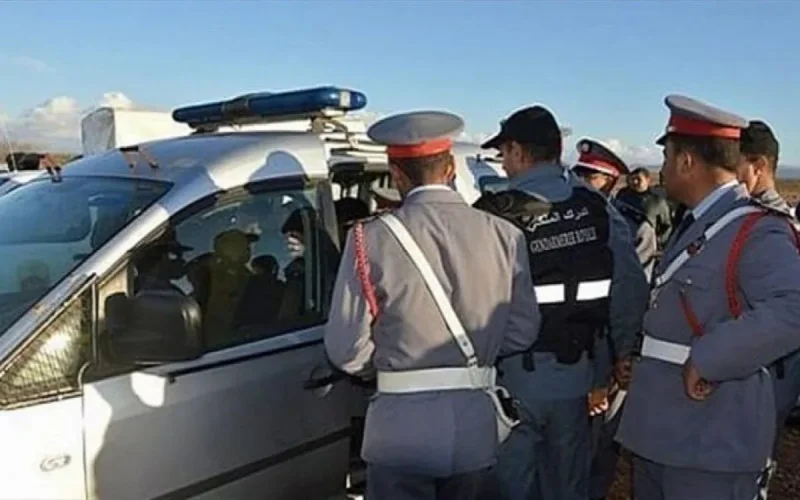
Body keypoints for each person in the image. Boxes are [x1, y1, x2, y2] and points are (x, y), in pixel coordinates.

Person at [324, 110, 541, 500]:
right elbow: (523, 330)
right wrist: (473, 359)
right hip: (475, 427)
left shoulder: (367, 239)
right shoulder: (506, 236)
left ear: (397, 174)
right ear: (451, 167)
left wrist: (395, 363)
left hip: (399, 430)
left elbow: (346, 350)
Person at [615, 94, 800, 500]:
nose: (661, 168)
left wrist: (709, 358)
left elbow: (793, 308)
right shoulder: (699, 223)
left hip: (709, 444)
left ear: (686, 162)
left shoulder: (756, 230)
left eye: (667, 157)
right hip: (662, 431)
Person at [473, 105, 649, 500]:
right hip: (580, 383)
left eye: (503, 155)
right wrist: (624, 352)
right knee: (569, 488)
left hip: (510, 384)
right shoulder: (597, 207)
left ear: (518, 151)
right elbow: (628, 286)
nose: (503, 166)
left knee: (510, 488)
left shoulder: (494, 215)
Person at [569, 139, 656, 500]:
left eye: (591, 177)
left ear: (609, 182)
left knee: (599, 450)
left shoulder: (631, 228)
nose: (582, 184)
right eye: (580, 175)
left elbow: (633, 300)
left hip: (606, 355)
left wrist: (624, 356)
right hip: (564, 356)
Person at [737, 119, 800, 494]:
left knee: (751, 462)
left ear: (758, 166)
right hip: (753, 367)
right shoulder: (747, 219)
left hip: (767, 371)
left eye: (735, 164)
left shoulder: (772, 227)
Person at [617, 167, 674, 250]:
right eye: (632, 179)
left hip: (646, 247)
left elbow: (667, 225)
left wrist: (657, 242)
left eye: (638, 179)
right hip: (624, 244)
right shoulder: (622, 197)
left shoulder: (657, 202)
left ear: (647, 180)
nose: (635, 182)